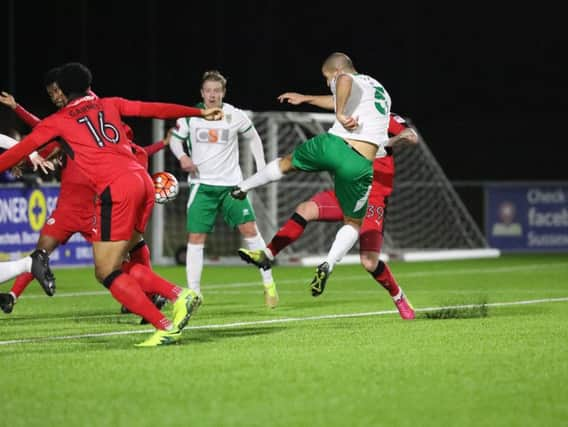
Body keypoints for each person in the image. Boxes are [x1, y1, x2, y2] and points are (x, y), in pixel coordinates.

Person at [0, 62, 223, 347]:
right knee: (120, 261)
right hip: (141, 180)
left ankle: (166, 321)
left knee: (105, 270)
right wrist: (199, 112)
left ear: (63, 91)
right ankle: (178, 296)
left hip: (114, 189)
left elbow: (17, 152)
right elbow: (152, 107)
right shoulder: (109, 104)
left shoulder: (60, 120)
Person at [0, 74, 170, 316]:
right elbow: (42, 136)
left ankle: (152, 296)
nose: (56, 97)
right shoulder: (68, 126)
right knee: (39, 256)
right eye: (51, 94)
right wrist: (27, 158)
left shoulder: (96, 116)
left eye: (58, 91)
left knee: (120, 260)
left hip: (96, 208)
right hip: (67, 210)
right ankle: (12, 296)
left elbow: (138, 151)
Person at [238, 104, 418, 318]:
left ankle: (398, 297)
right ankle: (268, 255)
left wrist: (388, 142)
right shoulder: (349, 117)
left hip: (373, 199)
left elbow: (411, 136)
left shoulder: (384, 118)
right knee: (305, 209)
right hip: (344, 191)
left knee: (369, 262)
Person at [231, 52, 388, 296]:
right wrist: (306, 98)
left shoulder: (343, 76)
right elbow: (340, 97)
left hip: (332, 144)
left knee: (286, 163)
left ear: (335, 71)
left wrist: (339, 115)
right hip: (358, 163)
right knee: (353, 223)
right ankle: (329, 263)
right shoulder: (379, 90)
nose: (329, 83)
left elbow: (344, 81)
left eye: (327, 78)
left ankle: (243, 187)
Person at [169, 70, 278, 308]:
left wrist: (261, 167)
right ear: (201, 93)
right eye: (208, 90)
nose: (212, 95)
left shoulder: (234, 115)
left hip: (233, 186)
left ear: (223, 93)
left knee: (250, 230)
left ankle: (269, 284)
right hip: (202, 186)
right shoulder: (190, 117)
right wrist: (183, 157)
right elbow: (175, 139)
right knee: (196, 238)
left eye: (217, 90)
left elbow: (254, 138)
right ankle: (194, 294)